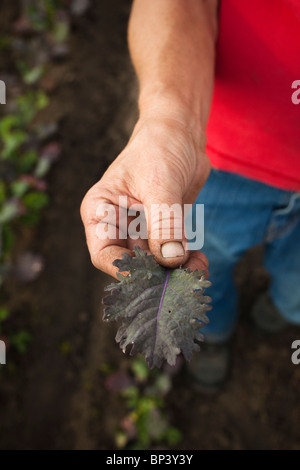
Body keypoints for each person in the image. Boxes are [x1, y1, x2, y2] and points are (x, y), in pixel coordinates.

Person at [80, 0, 300, 391]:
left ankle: (282, 309)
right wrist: (169, 120)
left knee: (296, 283)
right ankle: (213, 334)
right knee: (199, 268)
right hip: (219, 165)